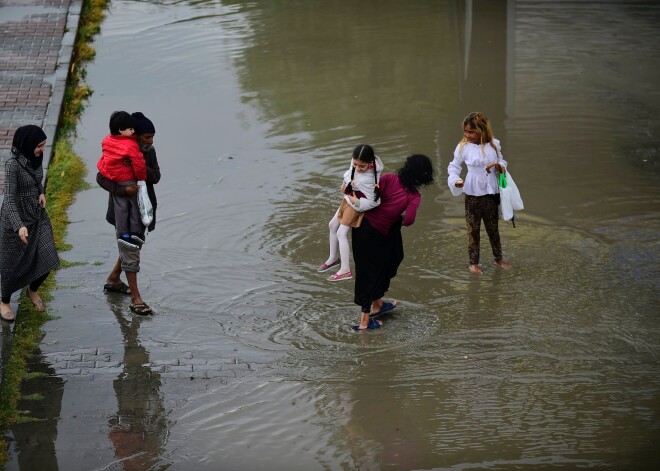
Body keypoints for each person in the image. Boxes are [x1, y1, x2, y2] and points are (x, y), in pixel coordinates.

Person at [351, 153, 435, 330]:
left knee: (370, 268)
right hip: (380, 233)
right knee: (377, 269)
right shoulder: (414, 196)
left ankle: (378, 304)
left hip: (362, 230)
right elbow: (409, 220)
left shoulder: (388, 178)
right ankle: (364, 322)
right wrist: (397, 215)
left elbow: (370, 193)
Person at [97, 112, 160, 315]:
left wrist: (138, 165)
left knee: (132, 244)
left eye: (152, 137)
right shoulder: (115, 153)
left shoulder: (148, 151)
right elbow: (101, 178)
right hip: (122, 209)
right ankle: (136, 299)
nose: (150, 141)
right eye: (146, 137)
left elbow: (156, 176)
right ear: (134, 136)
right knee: (130, 247)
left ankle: (114, 279)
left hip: (143, 207)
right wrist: (123, 189)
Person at [0, 125, 60, 321]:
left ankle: (32, 290)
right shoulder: (12, 165)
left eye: (43, 145)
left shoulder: (36, 158)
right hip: (15, 222)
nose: (42, 149)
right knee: (11, 266)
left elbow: (36, 179)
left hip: (37, 216)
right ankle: (4, 302)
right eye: (39, 146)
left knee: (49, 258)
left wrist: (41, 192)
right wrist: (19, 225)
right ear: (27, 145)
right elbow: (8, 199)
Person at [447, 112, 512, 274]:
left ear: (482, 130)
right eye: (466, 131)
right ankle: (473, 263)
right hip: (472, 193)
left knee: (493, 228)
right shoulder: (463, 147)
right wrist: (456, 180)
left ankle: (498, 258)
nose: (467, 135)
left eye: (471, 132)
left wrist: (500, 166)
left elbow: (502, 160)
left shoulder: (494, 145)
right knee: (473, 230)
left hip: (491, 192)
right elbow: (454, 166)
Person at [319, 144, 383, 281]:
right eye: (355, 164)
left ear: (370, 164)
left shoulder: (370, 179)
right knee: (332, 225)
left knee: (341, 233)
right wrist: (345, 187)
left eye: (362, 166)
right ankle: (333, 258)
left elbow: (375, 202)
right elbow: (350, 173)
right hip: (348, 199)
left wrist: (357, 202)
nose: (358, 168)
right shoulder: (355, 164)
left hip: (355, 205)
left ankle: (345, 270)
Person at [97, 111, 147, 249]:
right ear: (120, 130)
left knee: (121, 208)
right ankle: (136, 233)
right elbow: (138, 163)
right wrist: (141, 177)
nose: (133, 131)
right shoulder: (130, 145)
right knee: (135, 206)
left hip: (115, 179)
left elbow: (106, 158)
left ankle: (123, 234)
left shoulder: (107, 140)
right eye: (130, 129)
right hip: (128, 180)